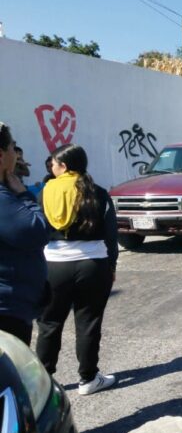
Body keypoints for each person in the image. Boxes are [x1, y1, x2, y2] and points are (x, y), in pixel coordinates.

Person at [35, 144, 119, 395]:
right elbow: (111, 234)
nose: (51, 167)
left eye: (54, 163)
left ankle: (44, 383)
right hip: (93, 265)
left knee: (49, 323)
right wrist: (112, 265)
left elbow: (35, 229)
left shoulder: (44, 192)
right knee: (88, 323)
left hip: (53, 265)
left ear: (64, 165)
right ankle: (88, 379)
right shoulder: (98, 193)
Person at [0, 123, 50, 345]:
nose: (17, 155)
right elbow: (37, 231)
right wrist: (24, 195)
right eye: (13, 147)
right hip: (7, 314)